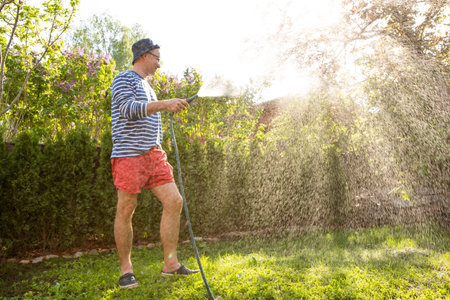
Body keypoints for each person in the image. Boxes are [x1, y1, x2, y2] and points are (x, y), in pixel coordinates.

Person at [110, 38, 199, 289]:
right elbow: (128, 109)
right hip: (129, 154)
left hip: (154, 155)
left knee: (174, 201)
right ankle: (126, 270)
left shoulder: (148, 86)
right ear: (144, 55)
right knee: (126, 208)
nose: (160, 64)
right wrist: (165, 104)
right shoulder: (124, 79)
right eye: (157, 57)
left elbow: (149, 113)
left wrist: (169, 107)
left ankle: (170, 265)